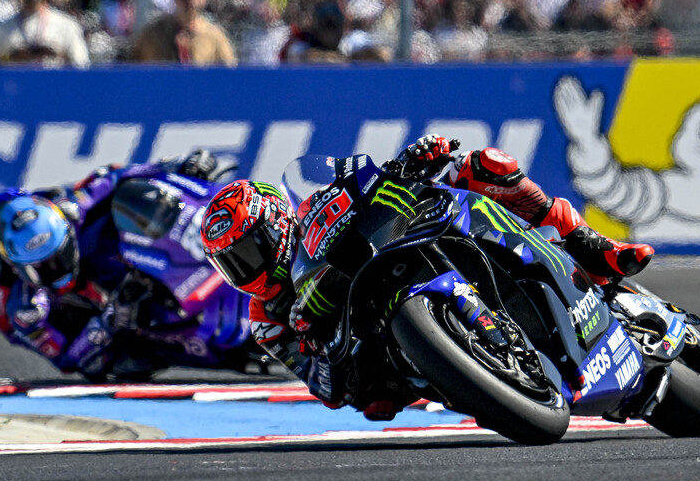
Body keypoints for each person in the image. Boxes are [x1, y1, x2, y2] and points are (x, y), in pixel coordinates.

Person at [200, 135, 653, 419]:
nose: (247, 269)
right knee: (373, 404)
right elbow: (324, 388)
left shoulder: (314, 210)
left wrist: (410, 162)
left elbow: (365, 184)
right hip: (382, 357)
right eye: (232, 264)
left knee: (482, 164)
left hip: (397, 247)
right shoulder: (266, 317)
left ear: (276, 223)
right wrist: (322, 350)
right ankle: (483, 375)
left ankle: (585, 243)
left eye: (248, 251)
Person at [0, 150, 225, 380]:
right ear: (19, 269)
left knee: (131, 200)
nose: (56, 268)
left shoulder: (70, 208)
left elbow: (113, 176)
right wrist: (111, 318)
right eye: (43, 266)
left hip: (128, 273)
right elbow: (69, 359)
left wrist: (175, 166)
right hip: (114, 332)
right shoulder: (25, 308)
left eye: (59, 255)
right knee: (126, 363)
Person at [131, 0, 238, 65]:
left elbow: (230, 72)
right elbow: (134, 66)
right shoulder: (154, 34)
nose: (190, 2)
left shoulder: (214, 37)